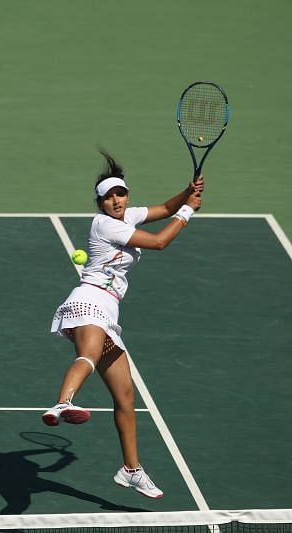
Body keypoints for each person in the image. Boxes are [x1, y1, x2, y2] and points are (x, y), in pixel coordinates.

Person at [43, 149, 204, 499]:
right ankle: (62, 403)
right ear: (99, 203)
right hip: (89, 301)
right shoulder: (104, 224)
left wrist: (185, 193)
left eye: (120, 194)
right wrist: (189, 211)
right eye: (108, 197)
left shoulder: (126, 216)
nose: (116, 201)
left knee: (126, 396)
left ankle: (131, 470)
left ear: (126, 195)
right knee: (87, 352)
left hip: (108, 312)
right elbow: (160, 241)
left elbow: (162, 209)